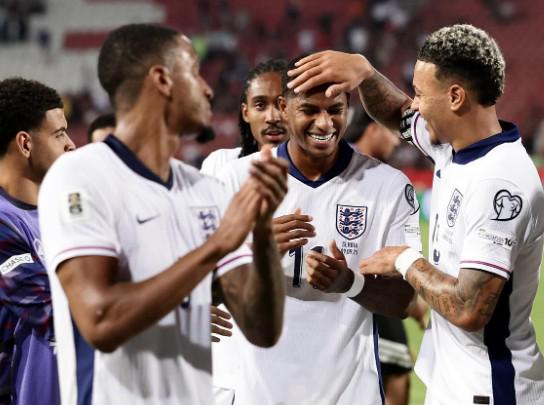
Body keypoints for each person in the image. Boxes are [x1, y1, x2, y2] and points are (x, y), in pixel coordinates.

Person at [287, 23, 544, 404]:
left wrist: (405, 260)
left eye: (421, 94)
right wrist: (365, 73)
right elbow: (397, 113)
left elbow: (470, 308)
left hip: (490, 389)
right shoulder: (453, 146)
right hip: (458, 383)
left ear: (455, 97)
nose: (416, 105)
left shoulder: (499, 183)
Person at [38, 23, 287, 405]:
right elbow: (100, 321)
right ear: (162, 80)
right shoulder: (79, 176)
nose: (208, 89)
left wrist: (263, 232)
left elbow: (262, 328)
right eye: (195, 72)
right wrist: (217, 245)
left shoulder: (207, 191)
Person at [215, 55, 422, 405]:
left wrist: (350, 283)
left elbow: (404, 301)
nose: (325, 123)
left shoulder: (387, 187)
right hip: (256, 393)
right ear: (284, 108)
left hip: (349, 395)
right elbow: (200, 285)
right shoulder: (235, 180)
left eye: (336, 110)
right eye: (310, 110)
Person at [0, 77, 75, 405]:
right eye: (59, 134)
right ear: (25, 144)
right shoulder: (4, 223)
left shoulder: (62, 215)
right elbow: (49, 307)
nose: (71, 144)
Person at [345, 107, 427, 405]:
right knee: (397, 375)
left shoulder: (375, 173)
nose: (396, 141)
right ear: (373, 129)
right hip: (359, 293)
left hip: (368, 291)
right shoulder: (353, 171)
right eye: (391, 133)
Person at [200, 57, 289, 175]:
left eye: (283, 105)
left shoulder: (314, 174)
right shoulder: (220, 164)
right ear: (246, 113)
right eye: (260, 105)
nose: (272, 118)